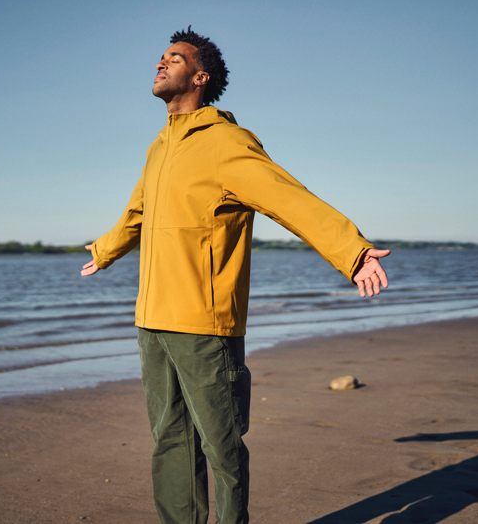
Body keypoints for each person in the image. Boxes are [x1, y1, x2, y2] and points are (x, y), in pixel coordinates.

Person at [80, 26, 389, 524]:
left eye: (174, 59)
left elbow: (289, 198)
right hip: (152, 320)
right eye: (160, 58)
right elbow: (137, 212)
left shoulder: (227, 142)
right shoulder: (159, 147)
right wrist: (106, 249)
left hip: (204, 323)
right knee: (169, 442)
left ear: (199, 77)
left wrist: (352, 252)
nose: (160, 65)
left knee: (221, 447)